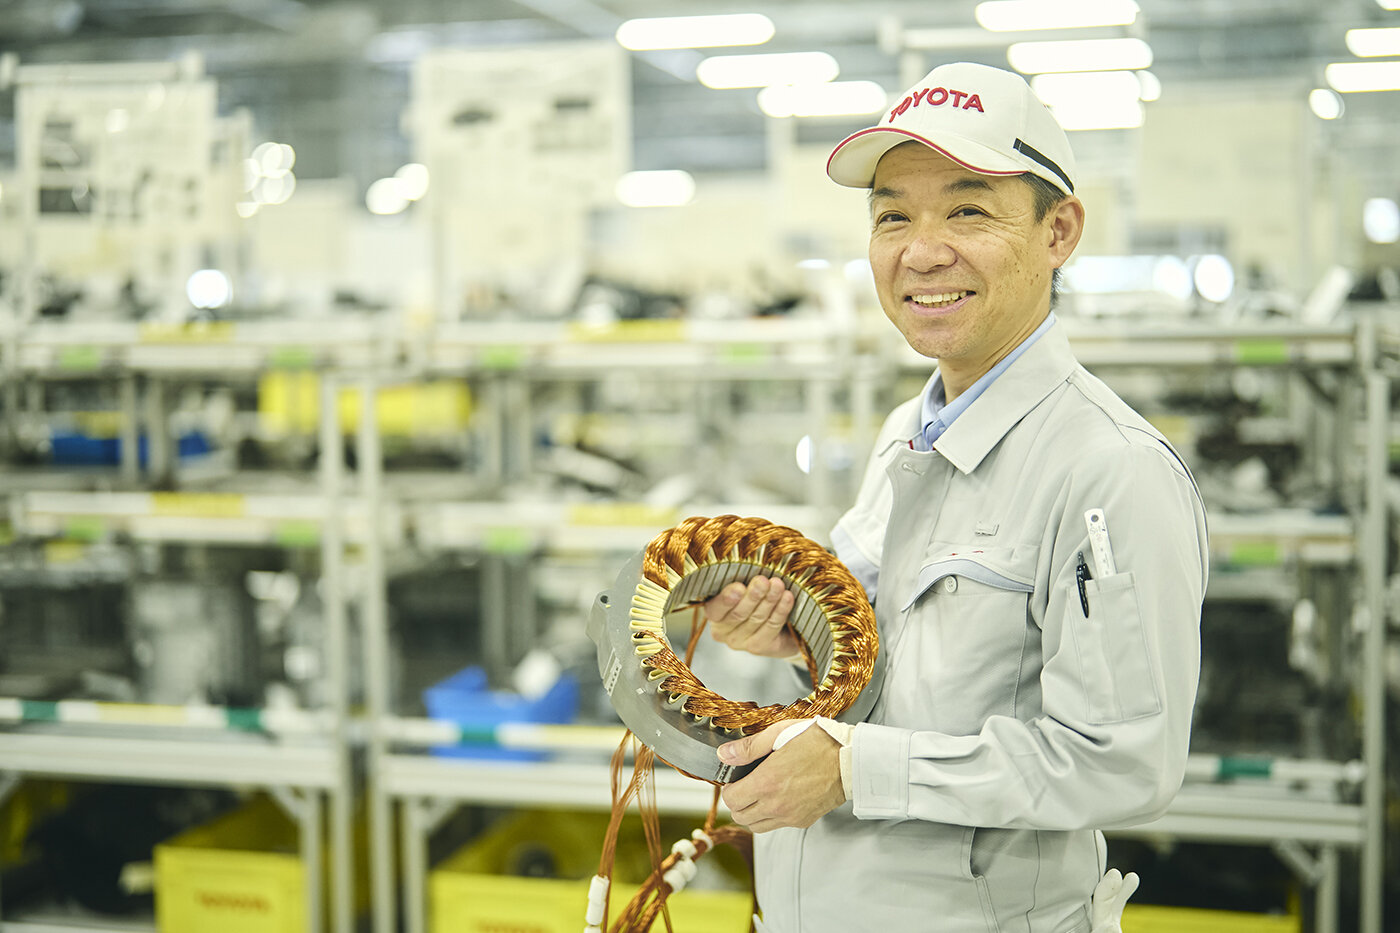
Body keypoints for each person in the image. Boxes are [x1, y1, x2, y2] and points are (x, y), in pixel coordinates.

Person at [702, 61, 1208, 933]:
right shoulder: (907, 432)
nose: (922, 251)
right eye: (892, 215)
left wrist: (854, 769)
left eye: (968, 211)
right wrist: (802, 639)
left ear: (1058, 231)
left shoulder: (1110, 468)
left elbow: (1123, 761)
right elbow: (897, 676)